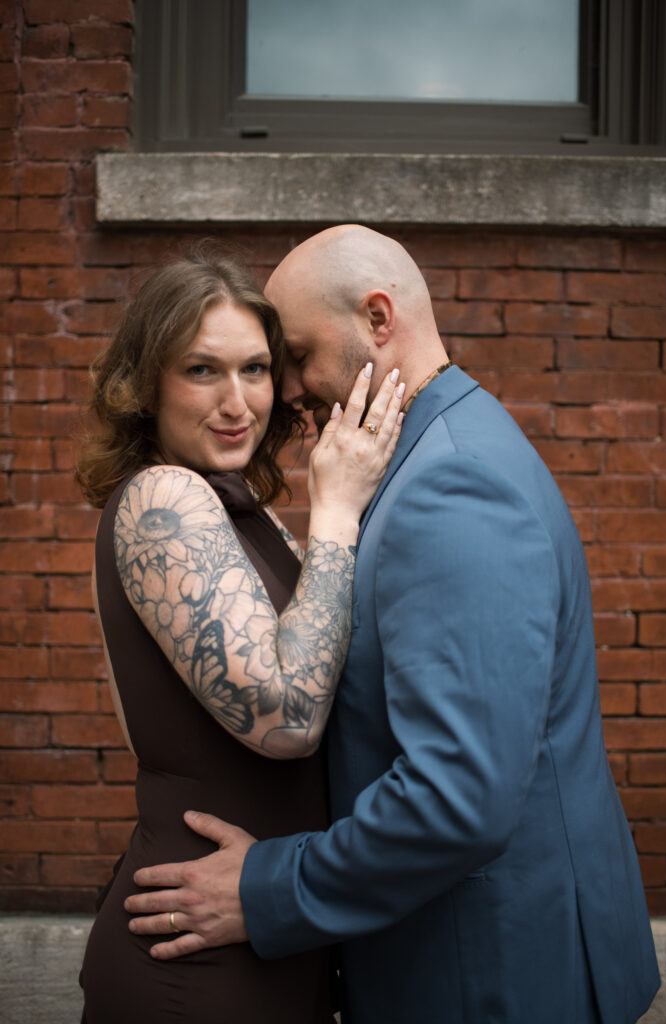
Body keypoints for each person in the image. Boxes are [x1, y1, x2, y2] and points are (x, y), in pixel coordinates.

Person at [125, 226, 660, 1024]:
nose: (290, 389)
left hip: (489, 974)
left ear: (378, 319)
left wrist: (273, 888)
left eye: (295, 355)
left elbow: (458, 796)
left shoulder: (450, 486)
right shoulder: (432, 453)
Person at [74, 242, 403, 1023]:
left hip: (259, 929)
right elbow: (286, 721)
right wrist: (334, 512)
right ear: (145, 384)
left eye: (255, 369)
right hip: (194, 958)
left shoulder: (238, 515)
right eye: (201, 370)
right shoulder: (165, 498)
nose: (237, 402)